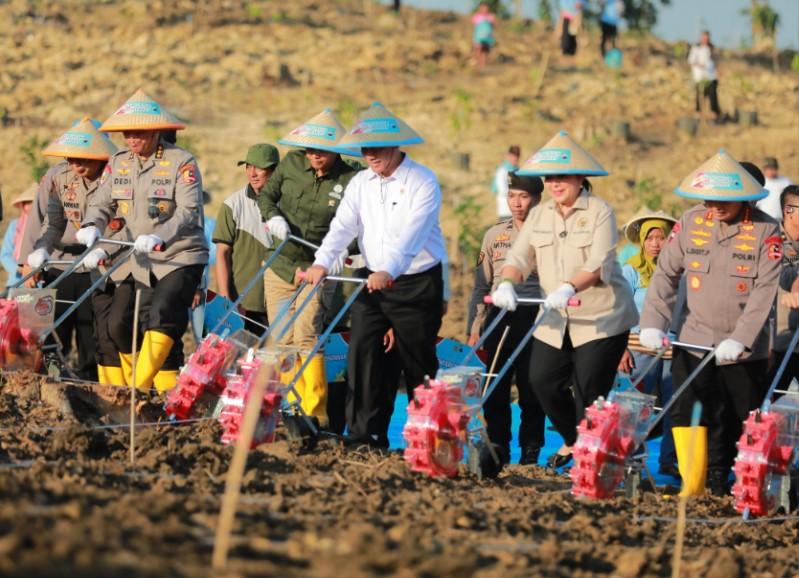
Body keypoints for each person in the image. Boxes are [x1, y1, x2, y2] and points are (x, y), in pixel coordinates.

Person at [491, 130, 638, 469]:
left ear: (579, 177)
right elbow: (519, 256)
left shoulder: (600, 211)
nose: (556, 184)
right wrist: (507, 284)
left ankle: (593, 462)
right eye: (550, 178)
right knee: (541, 380)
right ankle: (577, 441)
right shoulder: (541, 214)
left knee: (588, 389)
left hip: (602, 318)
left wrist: (569, 286)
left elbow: (599, 263)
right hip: (556, 317)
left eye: (563, 177)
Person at [306, 102, 446, 450]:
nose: (370, 154)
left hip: (416, 281)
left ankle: (427, 438)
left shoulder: (422, 181)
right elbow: (342, 226)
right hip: (373, 281)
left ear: (396, 146)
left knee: (417, 364)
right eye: (365, 148)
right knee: (363, 354)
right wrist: (322, 262)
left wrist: (390, 270)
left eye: (377, 148)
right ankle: (364, 436)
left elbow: (413, 235)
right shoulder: (360, 183)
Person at [639, 149, 779, 496]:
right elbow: (665, 275)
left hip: (743, 349)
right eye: (709, 200)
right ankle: (695, 481)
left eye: (724, 202)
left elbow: (765, 290)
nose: (715, 208)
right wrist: (653, 323)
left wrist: (742, 338)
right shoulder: (690, 222)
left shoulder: (765, 230)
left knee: (733, 415)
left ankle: (721, 474)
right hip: (694, 338)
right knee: (689, 411)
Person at [78, 89, 208, 392]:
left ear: (155, 132)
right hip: (137, 258)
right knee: (118, 324)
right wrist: (91, 227)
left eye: (139, 133)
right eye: (127, 133)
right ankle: (144, 391)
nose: (132, 138)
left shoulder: (181, 162)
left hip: (179, 254)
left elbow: (188, 211)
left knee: (162, 314)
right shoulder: (118, 162)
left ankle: (137, 390)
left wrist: (158, 235)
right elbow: (101, 203)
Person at [257, 109, 361, 430]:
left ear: (336, 150)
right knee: (283, 337)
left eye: (323, 150)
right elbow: (267, 197)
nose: (316, 155)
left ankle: (316, 413)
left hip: (319, 265)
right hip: (282, 263)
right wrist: (272, 217)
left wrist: (346, 249)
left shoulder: (351, 177)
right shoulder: (290, 164)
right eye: (311, 149)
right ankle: (291, 406)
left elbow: (360, 222)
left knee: (306, 335)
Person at [25, 118, 119, 382]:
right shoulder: (58, 176)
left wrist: (105, 254)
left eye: (85, 159)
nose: (77, 165)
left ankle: (90, 384)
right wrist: (32, 257)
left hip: (97, 263)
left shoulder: (116, 178)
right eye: (72, 158)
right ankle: (54, 381)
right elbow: (46, 220)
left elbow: (118, 225)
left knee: (92, 332)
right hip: (59, 262)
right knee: (54, 332)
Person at [467, 172, 546, 467]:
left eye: (524, 197)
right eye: (512, 196)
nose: (517, 203)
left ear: (538, 200)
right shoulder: (494, 235)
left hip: (537, 316)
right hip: (498, 317)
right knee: (495, 385)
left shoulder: (548, 234)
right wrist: (474, 330)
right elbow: (480, 286)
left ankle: (531, 448)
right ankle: (497, 444)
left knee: (532, 386)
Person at [618, 208, 679, 478]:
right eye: (650, 238)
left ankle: (670, 460)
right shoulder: (630, 271)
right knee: (636, 405)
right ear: (641, 241)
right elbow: (618, 311)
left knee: (674, 404)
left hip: (672, 348)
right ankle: (633, 460)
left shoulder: (680, 271)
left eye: (661, 237)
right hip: (636, 348)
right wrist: (620, 348)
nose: (655, 243)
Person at [214, 144, 279, 334]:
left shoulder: (290, 205)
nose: (252, 173)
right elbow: (221, 254)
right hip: (243, 304)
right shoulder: (232, 205)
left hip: (280, 303)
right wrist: (225, 299)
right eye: (248, 167)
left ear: (275, 170)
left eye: (259, 168)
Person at [769, 185, 799, 397]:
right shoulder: (770, 238)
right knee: (764, 399)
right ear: (788, 210)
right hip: (778, 341)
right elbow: (779, 274)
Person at [1, 184, 35, 287]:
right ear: (23, 205)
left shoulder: (50, 228)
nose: (30, 206)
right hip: (16, 282)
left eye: (34, 202)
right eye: (27, 203)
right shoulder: (14, 225)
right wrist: (20, 269)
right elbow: (5, 255)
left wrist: (35, 271)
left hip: (40, 283)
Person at [688, 30, 720, 123]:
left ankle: (715, 113)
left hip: (711, 76)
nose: (705, 39)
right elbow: (691, 61)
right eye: (704, 37)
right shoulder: (696, 48)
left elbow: (715, 62)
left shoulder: (711, 48)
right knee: (699, 95)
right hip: (699, 77)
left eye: (707, 38)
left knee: (712, 95)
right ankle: (699, 113)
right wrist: (699, 65)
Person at [756, 157, 794, 221]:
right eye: (769, 169)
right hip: (765, 219)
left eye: (773, 168)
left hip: (782, 219)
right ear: (764, 169)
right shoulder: (760, 182)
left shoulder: (785, 182)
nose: (771, 171)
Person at [492, 145, 521, 220]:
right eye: (514, 155)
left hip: (518, 211)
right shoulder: (502, 171)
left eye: (517, 155)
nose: (515, 158)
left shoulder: (519, 171)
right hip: (505, 210)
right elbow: (502, 190)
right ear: (509, 155)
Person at [471, 2, 496, 68]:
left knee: (485, 51)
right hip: (478, 37)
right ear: (480, 8)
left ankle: (483, 65)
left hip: (488, 37)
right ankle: (478, 64)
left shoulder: (491, 17)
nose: (484, 9)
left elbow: (493, 26)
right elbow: (474, 25)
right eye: (483, 8)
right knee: (478, 50)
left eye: (486, 8)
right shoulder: (476, 16)